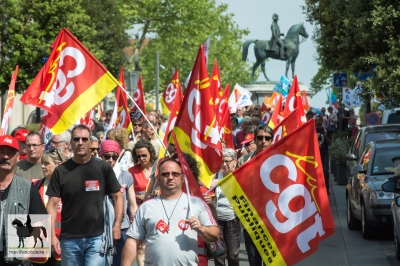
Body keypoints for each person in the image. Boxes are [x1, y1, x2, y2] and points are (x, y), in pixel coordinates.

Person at [46, 124, 123, 266]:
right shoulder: (60, 171)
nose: (80, 143)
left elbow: (118, 196)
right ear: (70, 144)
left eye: (84, 139)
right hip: (69, 239)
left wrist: (117, 225)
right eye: (76, 139)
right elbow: (52, 204)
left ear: (90, 143)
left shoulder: (103, 168)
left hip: (97, 237)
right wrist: (51, 236)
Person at [121, 158, 219, 266]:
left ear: (182, 178)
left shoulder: (196, 203)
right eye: (165, 174)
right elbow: (133, 241)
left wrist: (201, 228)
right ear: (158, 178)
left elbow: (215, 234)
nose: (170, 177)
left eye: (175, 174)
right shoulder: (146, 207)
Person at [0, 135, 47, 265]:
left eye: (10, 153)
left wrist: (24, 256)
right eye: (1, 152)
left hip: (16, 260)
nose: (5, 157)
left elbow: (40, 225)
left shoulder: (27, 188)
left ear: (18, 157)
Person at [237, 125, 274, 266]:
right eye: (260, 138)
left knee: (272, 261)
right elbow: (236, 186)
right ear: (255, 139)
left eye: (267, 138)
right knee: (254, 260)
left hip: (273, 219)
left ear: (272, 140)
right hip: (251, 219)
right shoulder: (243, 161)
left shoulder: (280, 159)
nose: (263, 141)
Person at [100, 140, 138, 266]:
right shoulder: (94, 175)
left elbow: (132, 204)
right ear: (101, 156)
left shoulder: (126, 176)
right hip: (100, 228)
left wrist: (139, 228)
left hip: (122, 227)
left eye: (114, 157)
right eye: (107, 156)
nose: (111, 160)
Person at [33, 148, 67, 266]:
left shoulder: (70, 187)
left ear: (59, 165)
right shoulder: (34, 186)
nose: (42, 166)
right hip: (39, 247)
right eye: (42, 163)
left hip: (63, 246)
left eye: (46, 163)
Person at [128, 140, 157, 266]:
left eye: (144, 155)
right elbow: (130, 196)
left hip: (158, 210)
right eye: (138, 156)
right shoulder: (132, 171)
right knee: (142, 247)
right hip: (140, 209)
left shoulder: (159, 169)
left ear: (150, 153)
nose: (141, 158)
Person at [210, 148, 241, 266]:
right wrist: (213, 184)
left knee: (233, 254)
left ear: (235, 161)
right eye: (223, 161)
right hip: (217, 219)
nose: (224, 164)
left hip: (233, 219)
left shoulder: (239, 176)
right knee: (219, 254)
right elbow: (206, 188)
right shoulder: (217, 175)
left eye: (227, 161)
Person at [315, 115, 332, 194]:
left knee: (325, 171)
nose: (315, 122)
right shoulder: (313, 130)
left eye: (317, 120)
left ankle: (326, 189)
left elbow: (330, 143)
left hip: (324, 153)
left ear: (321, 121)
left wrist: (325, 135)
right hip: (315, 154)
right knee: (316, 172)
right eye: (315, 120)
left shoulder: (326, 130)